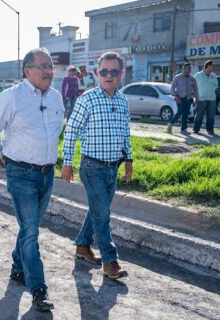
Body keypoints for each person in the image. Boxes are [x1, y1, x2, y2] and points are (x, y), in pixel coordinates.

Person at [0, 48, 64, 312]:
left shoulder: (55, 97)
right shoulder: (11, 97)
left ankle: (18, 268)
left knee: (29, 227)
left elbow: (55, 131)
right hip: (21, 173)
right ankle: (38, 289)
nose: (49, 71)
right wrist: (0, 156)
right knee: (31, 230)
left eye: (51, 66)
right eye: (43, 66)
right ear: (27, 70)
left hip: (47, 173)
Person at [61, 51, 133, 280]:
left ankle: (82, 245)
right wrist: (67, 162)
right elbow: (71, 131)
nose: (108, 76)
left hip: (113, 167)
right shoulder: (87, 99)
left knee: (98, 211)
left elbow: (125, 133)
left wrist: (128, 159)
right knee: (103, 215)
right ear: (97, 73)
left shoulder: (123, 101)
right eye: (104, 71)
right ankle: (110, 262)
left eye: (113, 72)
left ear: (121, 74)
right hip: (91, 167)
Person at [167, 63, 198, 133]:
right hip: (180, 98)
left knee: (186, 113)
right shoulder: (177, 77)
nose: (189, 70)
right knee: (180, 112)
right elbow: (172, 87)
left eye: (190, 68)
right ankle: (171, 123)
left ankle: (183, 129)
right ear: (184, 69)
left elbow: (195, 90)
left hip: (189, 98)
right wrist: (175, 96)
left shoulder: (192, 79)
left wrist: (196, 99)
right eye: (188, 68)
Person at [193, 60, 218, 135]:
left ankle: (210, 130)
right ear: (207, 66)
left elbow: (216, 86)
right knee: (199, 115)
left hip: (212, 99)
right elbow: (193, 87)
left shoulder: (214, 75)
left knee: (211, 116)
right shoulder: (197, 75)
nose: (213, 67)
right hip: (201, 99)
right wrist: (195, 97)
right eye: (212, 66)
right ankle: (196, 129)